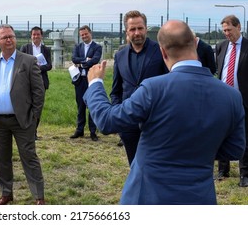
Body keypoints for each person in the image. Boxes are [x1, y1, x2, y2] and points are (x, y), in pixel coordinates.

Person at [83, 20, 245, 205]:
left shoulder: (154, 89)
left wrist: (95, 84)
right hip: (199, 198)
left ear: (162, 52)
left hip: (148, 196)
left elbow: (107, 121)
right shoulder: (231, 96)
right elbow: (235, 149)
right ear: (194, 42)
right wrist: (197, 151)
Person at [0, 24, 45, 205]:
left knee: (29, 158)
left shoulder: (28, 61)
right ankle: (6, 194)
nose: (9, 40)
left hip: (22, 121)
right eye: (5, 37)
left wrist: (34, 118)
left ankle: (39, 196)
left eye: (12, 36)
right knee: (2, 160)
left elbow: (39, 92)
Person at [110, 10, 168, 164]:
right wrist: (117, 114)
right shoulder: (120, 55)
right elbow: (116, 89)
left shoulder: (160, 51)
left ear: (146, 29)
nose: (137, 33)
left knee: (155, 166)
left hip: (155, 122)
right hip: (128, 123)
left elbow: (169, 84)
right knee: (134, 165)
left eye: (140, 28)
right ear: (126, 32)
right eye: (132, 29)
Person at [215, 15, 248, 187]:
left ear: (238, 27)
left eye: (229, 30)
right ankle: (222, 170)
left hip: (243, 99)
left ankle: (245, 173)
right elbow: (219, 71)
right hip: (223, 100)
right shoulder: (221, 47)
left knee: (244, 136)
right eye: (224, 31)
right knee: (222, 134)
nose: (227, 33)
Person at [70, 25, 102, 141]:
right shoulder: (77, 47)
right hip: (80, 81)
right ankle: (80, 130)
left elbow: (95, 60)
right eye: (82, 35)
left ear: (90, 33)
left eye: (85, 34)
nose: (84, 36)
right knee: (80, 106)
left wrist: (81, 63)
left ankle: (93, 132)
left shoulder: (97, 47)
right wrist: (86, 61)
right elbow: (74, 59)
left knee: (92, 105)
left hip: (91, 80)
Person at [20, 26, 52, 140]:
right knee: (27, 107)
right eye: (34, 34)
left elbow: (49, 66)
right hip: (27, 82)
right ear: (31, 36)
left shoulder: (46, 49)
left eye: (38, 34)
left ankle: (34, 132)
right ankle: (26, 130)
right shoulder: (25, 48)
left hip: (41, 82)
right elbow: (20, 64)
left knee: (38, 107)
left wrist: (38, 68)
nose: (36, 36)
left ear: (41, 36)